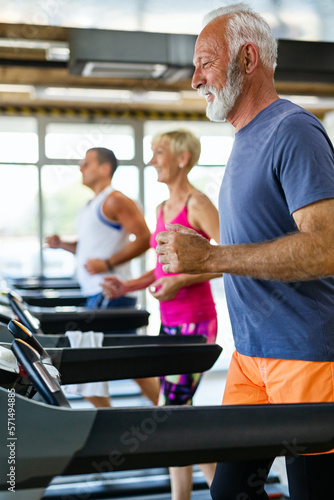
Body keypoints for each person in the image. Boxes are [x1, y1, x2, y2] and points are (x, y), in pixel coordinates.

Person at [155, 4, 334, 500]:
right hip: (251, 357)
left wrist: (210, 258)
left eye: (205, 62)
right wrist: (199, 263)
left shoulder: (294, 130)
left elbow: (325, 248)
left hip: (307, 358)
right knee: (230, 492)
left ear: (248, 58)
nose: (194, 79)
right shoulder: (245, 138)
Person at [101, 129, 221, 500]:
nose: (152, 160)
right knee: (176, 413)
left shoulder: (198, 204)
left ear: (182, 159)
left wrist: (182, 282)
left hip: (197, 322)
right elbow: (160, 270)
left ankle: (218, 491)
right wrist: (127, 287)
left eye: (158, 153)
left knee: (170, 411)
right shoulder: (160, 209)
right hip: (168, 321)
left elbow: (232, 260)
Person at [46, 146, 158, 408]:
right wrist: (63, 244)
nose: (81, 168)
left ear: (105, 168)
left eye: (86, 163)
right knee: (126, 361)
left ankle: (110, 419)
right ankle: (167, 408)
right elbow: (90, 250)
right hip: (98, 294)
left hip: (112, 294)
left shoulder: (115, 199)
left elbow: (145, 238)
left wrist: (107, 263)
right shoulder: (91, 205)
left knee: (90, 359)